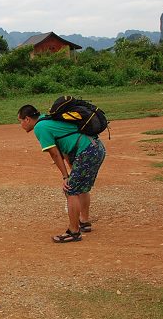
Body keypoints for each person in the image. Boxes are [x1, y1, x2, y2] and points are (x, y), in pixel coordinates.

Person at [18, 104, 106, 243]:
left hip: (86, 152)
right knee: (80, 187)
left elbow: (55, 154)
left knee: (70, 189)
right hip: (96, 147)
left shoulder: (40, 128)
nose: (21, 125)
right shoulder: (47, 119)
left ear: (27, 119)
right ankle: (84, 222)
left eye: (20, 121)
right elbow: (64, 147)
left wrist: (66, 177)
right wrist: (71, 171)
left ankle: (74, 232)